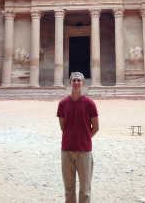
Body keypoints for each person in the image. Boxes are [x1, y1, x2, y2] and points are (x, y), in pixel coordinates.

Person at [57, 72, 99, 203]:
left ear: (83, 83)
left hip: (84, 150)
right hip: (67, 148)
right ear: (70, 82)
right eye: (74, 80)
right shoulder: (63, 104)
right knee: (68, 188)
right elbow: (63, 127)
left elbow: (96, 127)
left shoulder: (90, 103)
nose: (76, 83)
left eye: (78, 81)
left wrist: (85, 138)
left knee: (85, 188)